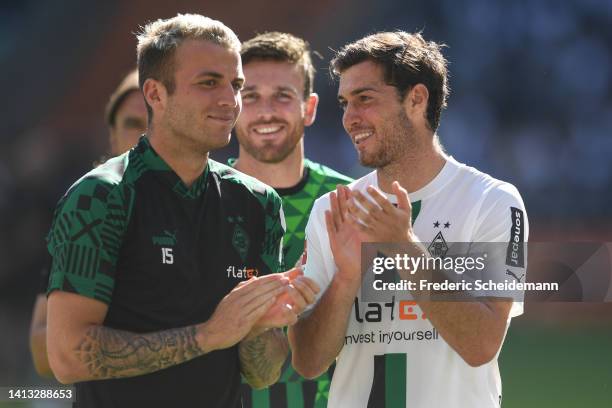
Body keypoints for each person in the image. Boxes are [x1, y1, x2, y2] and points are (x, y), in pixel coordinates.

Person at [45, 14, 318, 408]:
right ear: (155, 94)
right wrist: (207, 335)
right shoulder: (101, 196)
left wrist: (261, 327)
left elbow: (262, 375)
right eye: (209, 83)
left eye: (235, 84)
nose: (230, 100)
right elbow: (68, 357)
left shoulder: (258, 203)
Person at [289, 31, 529, 407]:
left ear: (416, 99)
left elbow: (481, 345)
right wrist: (346, 278)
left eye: (365, 99)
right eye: (344, 103)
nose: (350, 118)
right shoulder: (332, 210)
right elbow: (307, 362)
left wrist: (403, 245)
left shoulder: (493, 201)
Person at [232, 32, 352, 408]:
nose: (266, 111)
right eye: (250, 97)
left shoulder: (351, 201)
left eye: (282, 96)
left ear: (309, 107)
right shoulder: (202, 200)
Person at [29, 68, 146, 378]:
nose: (144, 138)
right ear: (112, 134)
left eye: (157, 123)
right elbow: (44, 353)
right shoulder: (83, 216)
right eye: (133, 124)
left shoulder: (230, 207)